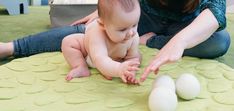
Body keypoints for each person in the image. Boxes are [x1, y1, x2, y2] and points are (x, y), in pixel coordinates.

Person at [0, 0, 230, 83]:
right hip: (140, 17)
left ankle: (153, 41)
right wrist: (104, 17)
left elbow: (217, 14)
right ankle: (13, 47)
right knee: (88, 32)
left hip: (185, 24)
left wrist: (178, 42)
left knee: (219, 41)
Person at [61, 0, 141, 84]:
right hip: (91, 55)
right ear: (103, 25)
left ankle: (109, 69)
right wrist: (118, 69)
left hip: (117, 60)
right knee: (68, 42)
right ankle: (80, 66)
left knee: (137, 57)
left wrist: (130, 73)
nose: (131, 33)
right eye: (122, 29)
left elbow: (132, 58)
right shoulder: (97, 34)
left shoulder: (133, 37)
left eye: (134, 25)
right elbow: (100, 60)